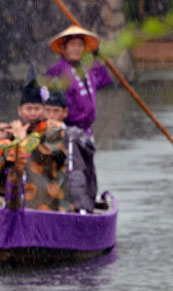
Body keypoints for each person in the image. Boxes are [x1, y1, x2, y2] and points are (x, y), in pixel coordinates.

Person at [0, 76, 68, 212]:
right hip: (11, 192)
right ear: (20, 111)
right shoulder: (15, 130)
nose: (33, 113)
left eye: (37, 108)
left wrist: (24, 140)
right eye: (29, 109)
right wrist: (0, 142)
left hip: (44, 195)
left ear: (43, 110)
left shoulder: (55, 131)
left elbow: (49, 158)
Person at [46, 25, 113, 212]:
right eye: (72, 45)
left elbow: (105, 80)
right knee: (72, 171)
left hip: (86, 131)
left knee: (88, 169)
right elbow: (49, 100)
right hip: (67, 130)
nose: (76, 49)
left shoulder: (86, 68)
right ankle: (72, 205)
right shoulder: (57, 70)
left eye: (79, 45)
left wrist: (98, 58)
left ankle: (89, 202)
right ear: (64, 48)